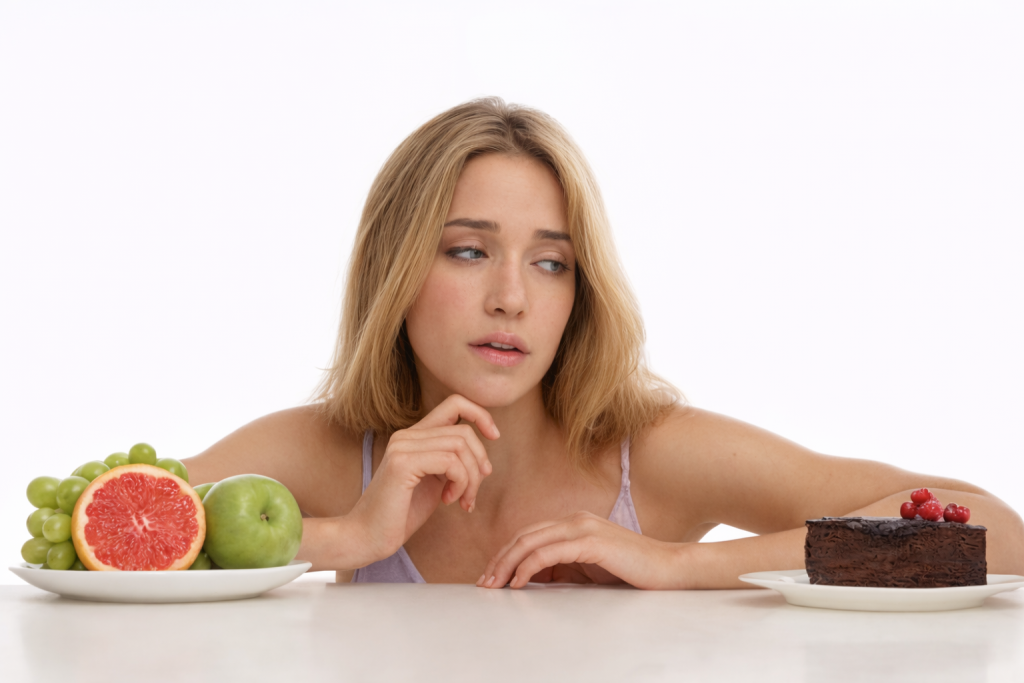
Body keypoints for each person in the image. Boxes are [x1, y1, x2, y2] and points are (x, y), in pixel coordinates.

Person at [183, 98, 1024, 588]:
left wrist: (673, 565)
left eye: (551, 263)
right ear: (393, 267)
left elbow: (994, 531)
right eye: (468, 251)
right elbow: (95, 524)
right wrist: (350, 538)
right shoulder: (335, 453)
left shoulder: (651, 454)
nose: (511, 297)